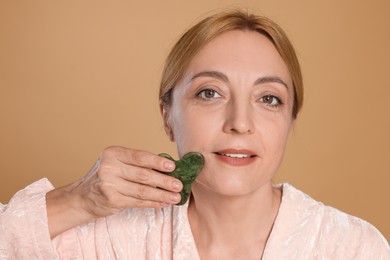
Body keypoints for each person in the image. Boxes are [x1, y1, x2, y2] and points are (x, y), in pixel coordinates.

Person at [1, 9, 389, 259]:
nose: (240, 122)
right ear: (167, 115)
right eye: (210, 93)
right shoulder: (105, 241)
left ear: (291, 119)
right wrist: (76, 201)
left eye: (269, 99)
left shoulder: (352, 247)